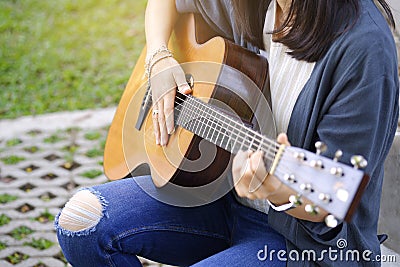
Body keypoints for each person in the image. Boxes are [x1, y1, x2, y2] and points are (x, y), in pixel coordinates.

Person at [54, 0, 399, 266]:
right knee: (80, 221)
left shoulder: (364, 50)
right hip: (222, 197)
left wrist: (277, 191)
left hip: (305, 245)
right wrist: (159, 58)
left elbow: (333, 203)